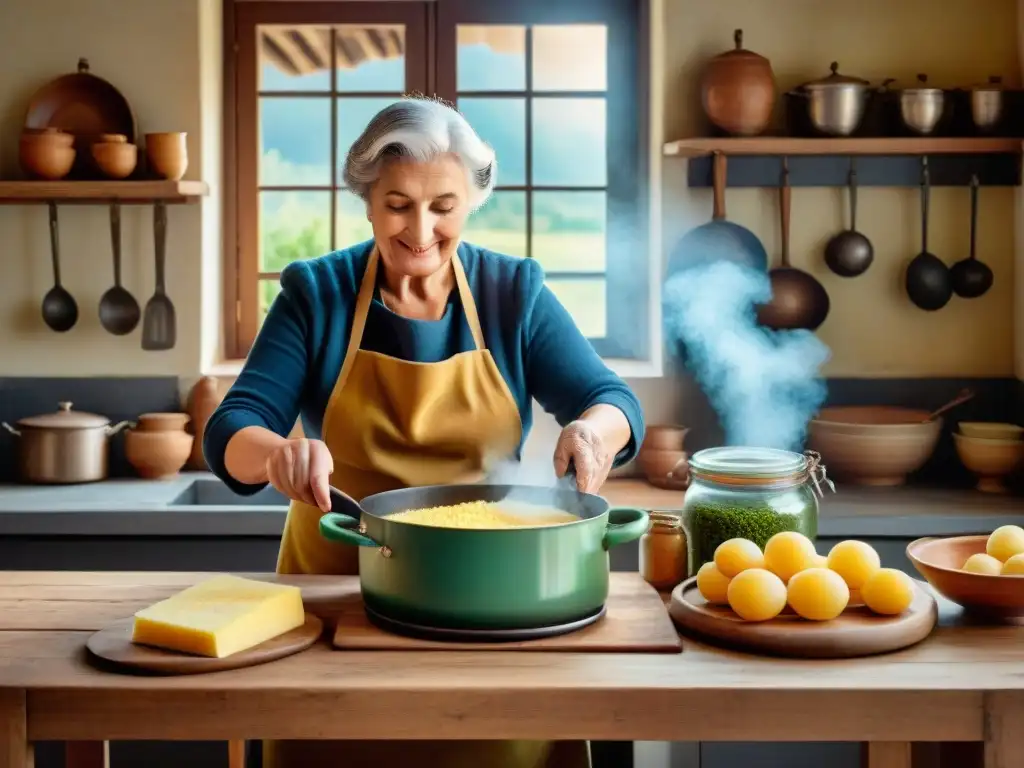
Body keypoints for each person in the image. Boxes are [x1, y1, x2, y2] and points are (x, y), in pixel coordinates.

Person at [203, 96, 645, 768]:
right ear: (368, 200)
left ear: (472, 200)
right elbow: (234, 425)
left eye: (444, 205)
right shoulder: (315, 293)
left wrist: (593, 433)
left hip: (491, 599)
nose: (421, 228)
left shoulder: (511, 293)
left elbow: (608, 398)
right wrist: (277, 453)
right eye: (398, 204)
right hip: (340, 597)